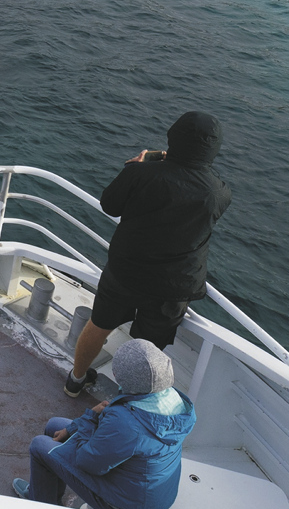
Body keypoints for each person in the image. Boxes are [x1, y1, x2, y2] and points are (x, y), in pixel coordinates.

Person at [64, 111, 231, 398]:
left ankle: (76, 380)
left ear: (173, 137)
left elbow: (110, 205)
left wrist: (136, 168)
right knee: (147, 349)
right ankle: (125, 402)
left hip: (126, 272)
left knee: (100, 324)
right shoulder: (219, 193)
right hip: (172, 286)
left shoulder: (141, 174)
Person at [14, 339, 196, 509]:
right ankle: (42, 493)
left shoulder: (126, 422)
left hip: (132, 508)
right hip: (151, 494)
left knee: (39, 446)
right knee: (55, 425)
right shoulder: (173, 399)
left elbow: (87, 462)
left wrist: (90, 417)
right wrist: (77, 426)